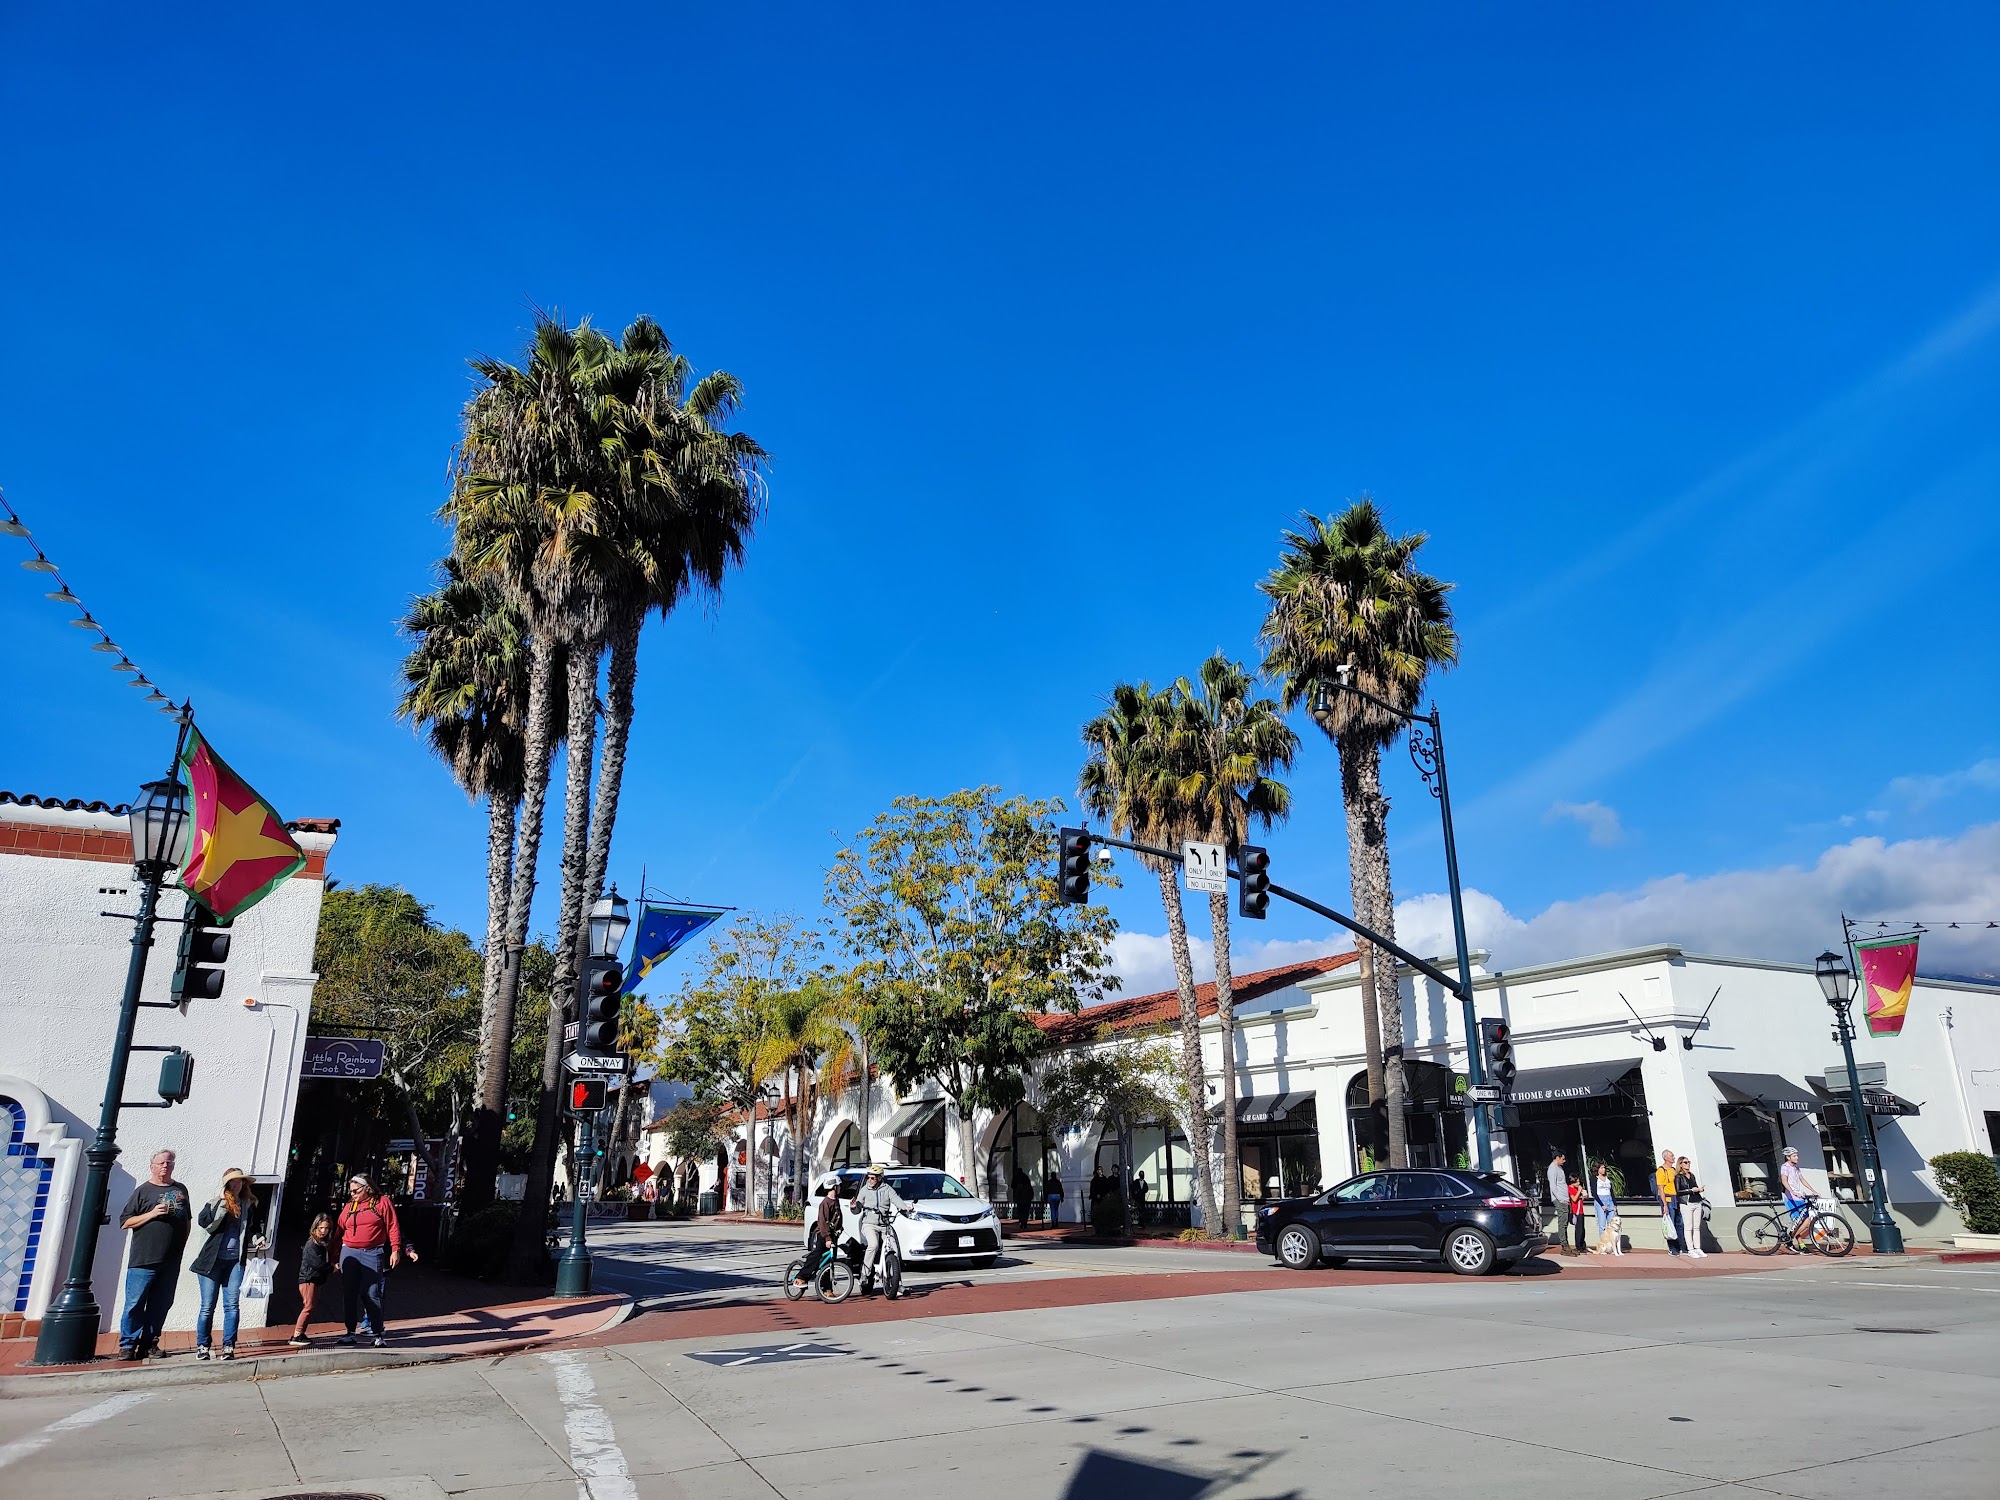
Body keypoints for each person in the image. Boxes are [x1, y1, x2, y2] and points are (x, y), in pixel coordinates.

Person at [116, 1148, 191, 1360]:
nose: (165, 1166)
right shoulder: (142, 1191)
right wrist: (151, 1214)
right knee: (135, 1303)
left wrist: (181, 1248)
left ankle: (149, 1343)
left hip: (170, 1260)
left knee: (161, 1303)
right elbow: (125, 1222)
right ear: (152, 1167)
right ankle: (127, 1345)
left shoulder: (181, 1190)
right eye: (161, 1163)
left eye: (169, 1163)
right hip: (144, 1259)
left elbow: (187, 1222)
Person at [191, 1168, 260, 1360]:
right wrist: (222, 1202)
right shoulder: (214, 1203)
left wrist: (258, 1238)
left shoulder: (248, 1205)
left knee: (232, 1305)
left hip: (234, 1262)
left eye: (240, 1181)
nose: (237, 1184)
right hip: (211, 1262)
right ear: (226, 1184)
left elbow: (253, 1228)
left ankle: (228, 1345)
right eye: (233, 1181)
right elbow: (204, 1222)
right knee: (207, 1306)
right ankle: (203, 1345)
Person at [336, 1173, 406, 1346]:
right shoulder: (350, 1206)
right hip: (349, 1252)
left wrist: (396, 1249)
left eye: (355, 1191)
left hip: (372, 1252)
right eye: (350, 1191)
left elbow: (393, 1226)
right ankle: (350, 1332)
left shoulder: (382, 1202)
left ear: (367, 1188)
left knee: (372, 1293)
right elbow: (339, 1230)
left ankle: (377, 1334)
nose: (352, 1194)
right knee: (349, 1294)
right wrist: (333, 1255)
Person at [854, 1164, 900, 1295]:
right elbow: (857, 1207)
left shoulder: (887, 1189)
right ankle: (864, 1274)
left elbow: (896, 1199)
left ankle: (898, 1283)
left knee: (894, 1250)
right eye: (869, 1177)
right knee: (873, 1245)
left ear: (880, 1178)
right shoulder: (864, 1190)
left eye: (873, 1178)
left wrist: (905, 1208)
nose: (870, 1180)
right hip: (869, 1223)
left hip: (885, 1224)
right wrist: (854, 1207)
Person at [291, 1212, 334, 1346]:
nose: (323, 1231)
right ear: (315, 1227)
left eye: (326, 1228)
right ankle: (297, 1334)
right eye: (321, 1228)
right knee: (308, 1306)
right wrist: (332, 1268)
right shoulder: (312, 1244)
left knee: (310, 1306)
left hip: (313, 1279)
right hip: (309, 1279)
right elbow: (317, 1264)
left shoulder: (320, 1244)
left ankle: (301, 1333)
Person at [1778, 1146, 1812, 1246]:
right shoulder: (1785, 1167)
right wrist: (1792, 1192)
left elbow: (1802, 1180)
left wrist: (1814, 1191)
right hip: (1791, 1198)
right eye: (1794, 1156)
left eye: (1797, 1155)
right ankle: (1801, 1245)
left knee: (1807, 1221)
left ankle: (1791, 1237)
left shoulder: (1796, 1167)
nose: (1797, 1157)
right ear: (1788, 1157)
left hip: (1799, 1197)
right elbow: (1784, 1181)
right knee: (1798, 1222)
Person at [1675, 1156, 1708, 1259]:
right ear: (1680, 1164)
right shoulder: (1679, 1177)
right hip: (1686, 1203)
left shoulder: (1692, 1175)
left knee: (1696, 1226)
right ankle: (1690, 1249)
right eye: (1685, 1162)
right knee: (1688, 1226)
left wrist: (1699, 1190)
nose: (1688, 1164)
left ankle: (1698, 1248)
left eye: (1689, 1162)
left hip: (1697, 1201)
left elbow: (1695, 1187)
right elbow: (1678, 1191)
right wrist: (1690, 1190)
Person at [1655, 1149, 1681, 1255]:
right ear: (1666, 1158)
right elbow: (1660, 1189)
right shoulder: (1661, 1171)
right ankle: (1672, 1248)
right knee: (1670, 1224)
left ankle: (1680, 1246)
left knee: (1679, 1223)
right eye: (1671, 1156)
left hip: (1676, 1198)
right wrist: (1664, 1204)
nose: (1674, 1157)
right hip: (1668, 1199)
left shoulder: (1673, 1170)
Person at [1545, 1152, 1572, 1254]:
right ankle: (1564, 1246)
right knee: (1562, 1222)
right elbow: (1553, 1185)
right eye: (1563, 1159)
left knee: (1565, 1223)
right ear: (1557, 1157)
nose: (1564, 1161)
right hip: (1560, 1200)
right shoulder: (1552, 1168)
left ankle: (1566, 1244)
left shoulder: (1559, 1168)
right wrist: (1560, 1198)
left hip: (1564, 1199)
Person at [1593, 1163, 1616, 1246]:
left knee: (1612, 1223)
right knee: (1602, 1224)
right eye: (1602, 1168)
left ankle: (1612, 1244)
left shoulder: (1608, 1179)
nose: (1604, 1170)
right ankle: (1603, 1244)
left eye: (1604, 1168)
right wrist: (1602, 1205)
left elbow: (1612, 1192)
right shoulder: (1595, 1179)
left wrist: (1614, 1204)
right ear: (1598, 1169)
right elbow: (1594, 1193)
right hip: (1600, 1200)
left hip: (1609, 1200)